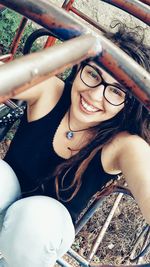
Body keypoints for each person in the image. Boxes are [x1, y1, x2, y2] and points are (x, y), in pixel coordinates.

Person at [0, 22, 150, 267]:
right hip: (5, 200)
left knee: (34, 221)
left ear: (128, 104)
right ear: (79, 67)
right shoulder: (50, 91)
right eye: (93, 74)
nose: (94, 96)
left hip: (37, 239)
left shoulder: (121, 144)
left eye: (116, 91)